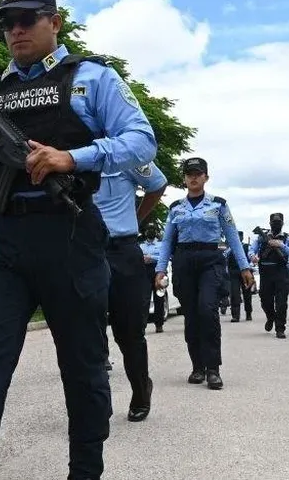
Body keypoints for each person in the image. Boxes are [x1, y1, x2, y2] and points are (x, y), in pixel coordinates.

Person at [0, 0, 157, 479]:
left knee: (82, 364)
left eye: (26, 20)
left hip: (68, 236)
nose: (15, 31)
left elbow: (142, 141)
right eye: (6, 24)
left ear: (55, 22)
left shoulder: (90, 78)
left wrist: (72, 157)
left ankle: (86, 469)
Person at [154, 157, 254, 390]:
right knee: (191, 315)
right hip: (184, 262)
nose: (194, 177)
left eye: (198, 173)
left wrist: (245, 267)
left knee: (207, 310)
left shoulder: (218, 205)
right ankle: (197, 366)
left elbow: (232, 237)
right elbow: (167, 241)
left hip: (211, 261)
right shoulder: (176, 208)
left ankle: (213, 369)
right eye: (189, 174)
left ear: (206, 177)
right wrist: (160, 270)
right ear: (184, 179)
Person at [92, 161, 167, 422]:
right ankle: (95, 403)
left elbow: (157, 184)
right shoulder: (69, 148)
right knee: (86, 329)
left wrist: (135, 218)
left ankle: (140, 389)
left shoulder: (126, 151)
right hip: (85, 251)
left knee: (129, 333)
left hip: (123, 250)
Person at [249, 213, 289, 339]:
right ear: (270, 223)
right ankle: (270, 317)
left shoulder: (288, 238)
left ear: (282, 223)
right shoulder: (262, 237)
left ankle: (280, 328)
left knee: (282, 302)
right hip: (265, 272)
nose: (276, 224)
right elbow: (251, 249)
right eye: (274, 222)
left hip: (281, 272)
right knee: (265, 300)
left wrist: (281, 245)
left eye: (278, 222)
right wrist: (252, 256)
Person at [140, 228, 165, 332]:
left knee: (159, 298)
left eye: (152, 229)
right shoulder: (141, 246)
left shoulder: (161, 245)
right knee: (144, 300)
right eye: (148, 229)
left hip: (158, 271)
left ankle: (159, 324)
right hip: (145, 272)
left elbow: (163, 257)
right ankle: (142, 326)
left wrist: (152, 257)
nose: (150, 232)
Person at [225, 231, 253, 322]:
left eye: (240, 236)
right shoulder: (230, 248)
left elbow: (251, 257)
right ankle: (235, 315)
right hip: (233, 273)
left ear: (242, 237)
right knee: (234, 294)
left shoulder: (246, 247)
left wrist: (250, 267)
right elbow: (224, 256)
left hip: (245, 271)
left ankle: (248, 313)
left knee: (247, 294)